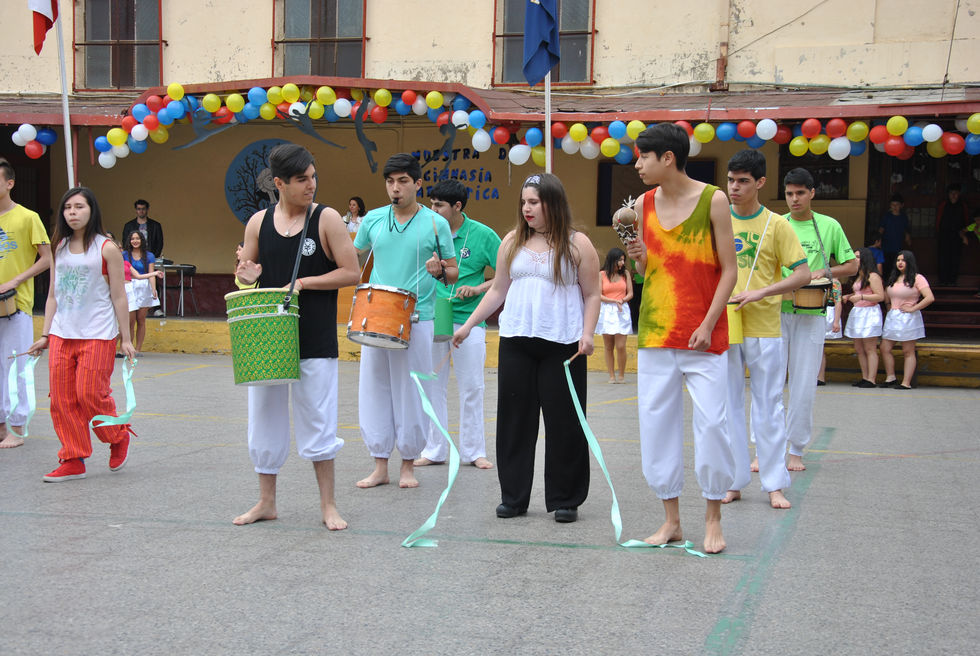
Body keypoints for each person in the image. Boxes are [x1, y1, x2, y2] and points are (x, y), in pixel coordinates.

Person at [452, 172, 600, 524]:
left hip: (563, 344)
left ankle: (565, 498)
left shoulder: (578, 244)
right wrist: (469, 325)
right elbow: (497, 290)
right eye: (523, 202)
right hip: (516, 341)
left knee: (564, 422)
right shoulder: (512, 241)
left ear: (553, 203)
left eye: (534, 202)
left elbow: (593, 294)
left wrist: (588, 334)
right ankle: (514, 497)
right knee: (514, 421)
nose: (526, 209)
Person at [232, 143, 360, 529]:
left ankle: (328, 505)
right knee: (263, 420)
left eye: (313, 177)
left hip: (314, 336)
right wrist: (246, 277)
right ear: (279, 184)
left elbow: (351, 272)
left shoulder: (327, 218)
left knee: (319, 419)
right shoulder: (258, 222)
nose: (311, 185)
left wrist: (303, 282)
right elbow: (244, 277)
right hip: (268, 338)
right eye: (302, 179)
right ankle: (266, 502)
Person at [625, 123, 737, 553]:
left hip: (703, 335)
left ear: (668, 158)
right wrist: (639, 259)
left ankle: (713, 517)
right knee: (656, 426)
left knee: (713, 426)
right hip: (656, 330)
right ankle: (671, 520)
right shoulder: (642, 204)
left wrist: (708, 323)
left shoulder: (714, 200)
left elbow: (729, 270)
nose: (638, 165)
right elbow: (647, 271)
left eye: (643, 157)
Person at [352, 153, 458, 490]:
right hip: (375, 315)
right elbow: (353, 256)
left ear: (417, 183)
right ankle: (380, 465)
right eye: (390, 182)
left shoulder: (435, 224)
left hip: (417, 317)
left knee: (412, 390)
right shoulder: (372, 219)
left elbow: (453, 272)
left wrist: (439, 270)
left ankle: (408, 464)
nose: (395, 188)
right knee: (374, 389)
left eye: (403, 181)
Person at [28, 187, 135, 481]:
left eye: (79, 207)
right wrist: (45, 335)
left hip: (98, 334)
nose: (72, 212)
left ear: (92, 210)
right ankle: (73, 458)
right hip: (62, 333)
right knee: (61, 399)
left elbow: (119, 296)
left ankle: (117, 436)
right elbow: (53, 294)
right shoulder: (59, 247)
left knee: (90, 394)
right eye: (67, 208)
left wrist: (126, 338)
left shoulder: (106, 248)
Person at [723, 149, 810, 510]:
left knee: (769, 406)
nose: (735, 187)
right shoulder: (717, 220)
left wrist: (762, 292)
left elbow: (803, 274)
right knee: (727, 406)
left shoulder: (777, 225)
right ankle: (733, 481)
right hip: (726, 324)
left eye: (743, 181)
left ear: (760, 182)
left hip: (765, 326)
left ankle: (774, 484)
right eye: (731, 180)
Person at [414, 180, 500, 470]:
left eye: (439, 205)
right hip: (433, 316)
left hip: (470, 320)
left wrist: (478, 288)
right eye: (431, 204)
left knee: (472, 386)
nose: (433, 210)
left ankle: (474, 451)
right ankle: (434, 449)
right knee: (432, 385)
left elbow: (506, 275)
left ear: (458, 206)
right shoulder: (426, 233)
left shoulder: (483, 235)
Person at [778, 168, 857, 471]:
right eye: (789, 193)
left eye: (800, 193)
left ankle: (796, 450)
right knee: (769, 382)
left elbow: (851, 265)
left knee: (803, 383)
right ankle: (765, 448)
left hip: (812, 313)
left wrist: (824, 271)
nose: (794, 199)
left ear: (812, 193)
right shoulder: (777, 224)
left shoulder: (829, 225)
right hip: (776, 311)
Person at [0, 158, 52, 449]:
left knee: (16, 366)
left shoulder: (28, 217)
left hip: (15, 305)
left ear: (10, 183)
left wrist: (15, 281)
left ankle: (17, 427)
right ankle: (1, 424)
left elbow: (46, 259)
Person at [879, 251, 934, 389]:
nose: (900, 263)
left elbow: (929, 297)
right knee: (885, 347)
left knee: (908, 350)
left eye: (903, 260)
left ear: (910, 262)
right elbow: (887, 295)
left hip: (908, 317)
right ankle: (890, 377)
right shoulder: (894, 278)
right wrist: (889, 306)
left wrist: (913, 308)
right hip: (893, 316)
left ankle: (906, 382)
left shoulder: (917, 278)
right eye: (898, 260)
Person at [843, 248, 885, 387]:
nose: (855, 259)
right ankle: (865, 376)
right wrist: (850, 296)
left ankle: (871, 379)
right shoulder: (859, 275)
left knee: (870, 348)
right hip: (858, 312)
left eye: (857, 257)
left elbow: (880, 296)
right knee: (859, 348)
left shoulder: (873, 276)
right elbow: (860, 292)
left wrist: (861, 297)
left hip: (869, 313)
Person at [596, 247, 633, 383]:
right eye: (620, 260)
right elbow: (599, 294)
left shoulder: (625, 274)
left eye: (623, 260)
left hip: (621, 310)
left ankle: (621, 375)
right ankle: (611, 376)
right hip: (606, 310)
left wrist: (622, 300)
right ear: (613, 260)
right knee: (608, 346)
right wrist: (613, 301)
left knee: (621, 345)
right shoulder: (601, 275)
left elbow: (630, 293)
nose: (622, 263)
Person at [122, 230, 159, 354]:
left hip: (144, 288)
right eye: (132, 239)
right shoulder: (124, 254)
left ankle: (138, 349)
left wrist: (153, 289)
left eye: (137, 238)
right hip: (129, 287)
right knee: (130, 321)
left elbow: (151, 274)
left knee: (141, 319)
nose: (135, 241)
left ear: (142, 240)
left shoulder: (149, 255)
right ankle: (129, 348)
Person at [936, 183, 969, 286]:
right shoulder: (944, 205)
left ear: (959, 194)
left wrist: (964, 234)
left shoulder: (962, 206)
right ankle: (942, 280)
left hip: (957, 236)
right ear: (948, 194)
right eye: (951, 193)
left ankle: (952, 281)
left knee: (955, 259)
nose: (953, 195)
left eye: (956, 193)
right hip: (944, 236)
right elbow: (938, 220)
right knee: (943, 258)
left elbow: (966, 220)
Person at [816, 277, 843, 386]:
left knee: (820, 346)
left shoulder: (834, 282)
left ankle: (820, 376)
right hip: (817, 310)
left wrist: (836, 321)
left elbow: (838, 302)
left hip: (828, 312)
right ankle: (817, 375)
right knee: (817, 346)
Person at [878, 194, 909, 280]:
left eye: (897, 205)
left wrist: (908, 239)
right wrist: (878, 240)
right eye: (893, 205)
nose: (895, 207)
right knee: (886, 267)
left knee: (896, 267)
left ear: (902, 205)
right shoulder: (886, 216)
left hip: (898, 246)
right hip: (886, 247)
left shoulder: (903, 217)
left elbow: (906, 230)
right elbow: (881, 230)